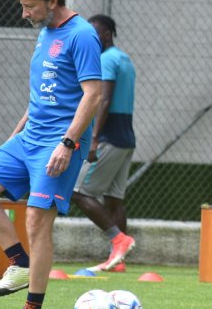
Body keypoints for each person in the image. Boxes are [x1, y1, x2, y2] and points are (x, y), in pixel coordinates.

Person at [0, 0, 103, 309]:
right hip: (30, 136)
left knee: (36, 220)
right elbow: (45, 89)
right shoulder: (46, 32)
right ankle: (20, 263)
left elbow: (93, 95)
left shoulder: (82, 34)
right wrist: (19, 127)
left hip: (60, 141)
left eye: (30, 6)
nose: (24, 13)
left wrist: (68, 143)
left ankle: (33, 305)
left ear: (52, 0)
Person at [72, 14, 137, 273]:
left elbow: (103, 100)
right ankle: (119, 260)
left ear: (107, 34)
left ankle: (119, 240)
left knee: (78, 192)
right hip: (126, 138)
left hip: (109, 138)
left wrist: (94, 138)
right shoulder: (124, 59)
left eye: (95, 32)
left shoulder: (105, 60)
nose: (91, 38)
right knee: (114, 199)